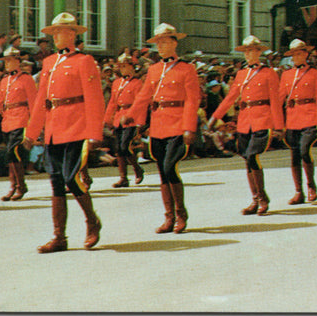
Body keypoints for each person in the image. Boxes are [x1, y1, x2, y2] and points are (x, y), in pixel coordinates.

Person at [26, 13, 105, 253]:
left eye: (62, 32)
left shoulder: (84, 61)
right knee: (56, 182)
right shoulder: (49, 62)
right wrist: (31, 132)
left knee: (72, 178)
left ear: (73, 34)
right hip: (54, 128)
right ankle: (59, 236)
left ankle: (92, 221)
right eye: (55, 32)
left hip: (77, 126)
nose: (57, 36)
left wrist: (94, 133)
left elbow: (94, 99)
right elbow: (42, 99)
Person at [127, 23, 200, 234]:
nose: (160, 46)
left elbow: (192, 101)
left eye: (165, 41)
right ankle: (169, 217)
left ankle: (181, 214)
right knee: (161, 170)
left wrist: (189, 128)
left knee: (170, 168)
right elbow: (143, 96)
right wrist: (130, 115)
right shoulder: (153, 69)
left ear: (174, 43)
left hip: (178, 124)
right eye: (158, 42)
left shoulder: (187, 68)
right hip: (159, 125)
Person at [208, 36, 284, 216]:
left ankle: (262, 198)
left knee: (251, 156)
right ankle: (256, 199)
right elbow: (230, 98)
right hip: (245, 120)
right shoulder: (241, 74)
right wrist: (215, 117)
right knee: (247, 159)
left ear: (259, 52)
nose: (250, 54)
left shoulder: (268, 72)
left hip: (262, 119)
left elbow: (275, 100)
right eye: (247, 51)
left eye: (254, 50)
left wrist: (279, 126)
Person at [0, 46, 38, 201]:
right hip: (7, 120)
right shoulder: (5, 80)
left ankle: (20, 186)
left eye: (10, 60)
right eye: (5, 60)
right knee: (10, 155)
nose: (7, 63)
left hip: (21, 118)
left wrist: (34, 125)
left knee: (13, 152)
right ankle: (13, 186)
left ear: (17, 61)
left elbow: (33, 102)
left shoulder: (26, 78)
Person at [277, 38, 317, 204]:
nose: (297, 57)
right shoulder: (286, 74)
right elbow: (279, 98)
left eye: (300, 53)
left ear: (306, 54)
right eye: (294, 54)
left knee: (305, 149)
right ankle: (299, 191)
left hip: (310, 115)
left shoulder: (315, 73)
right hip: (292, 118)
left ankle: (310, 185)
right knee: (294, 154)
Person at [103, 52, 144, 188]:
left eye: (125, 66)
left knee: (125, 146)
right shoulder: (117, 83)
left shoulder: (137, 83)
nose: (123, 69)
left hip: (130, 117)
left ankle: (137, 168)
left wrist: (139, 122)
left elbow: (140, 102)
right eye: (121, 66)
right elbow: (113, 102)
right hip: (119, 116)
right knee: (118, 148)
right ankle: (123, 178)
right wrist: (108, 118)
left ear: (132, 67)